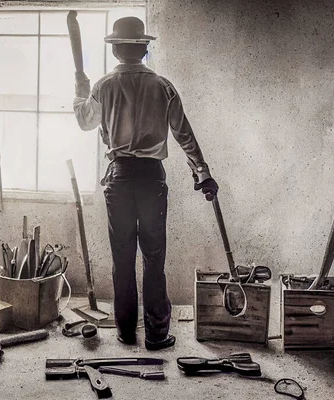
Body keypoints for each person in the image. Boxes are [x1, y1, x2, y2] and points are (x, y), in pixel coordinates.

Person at [73, 16, 219, 350]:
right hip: (152, 179)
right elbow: (185, 137)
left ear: (116, 51)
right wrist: (203, 173)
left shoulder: (102, 87)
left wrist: (80, 90)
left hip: (119, 179)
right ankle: (155, 335)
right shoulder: (163, 87)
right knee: (154, 259)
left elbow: (84, 121)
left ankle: (126, 332)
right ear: (144, 48)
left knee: (122, 260)